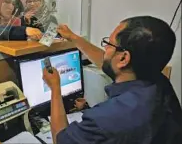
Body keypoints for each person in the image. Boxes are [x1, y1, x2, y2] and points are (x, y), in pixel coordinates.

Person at [42, 16, 182, 144]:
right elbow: (110, 63)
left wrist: (55, 88)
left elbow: (60, 140)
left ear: (123, 58)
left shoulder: (108, 118)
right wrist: (74, 38)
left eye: (109, 43)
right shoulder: (159, 82)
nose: (106, 47)